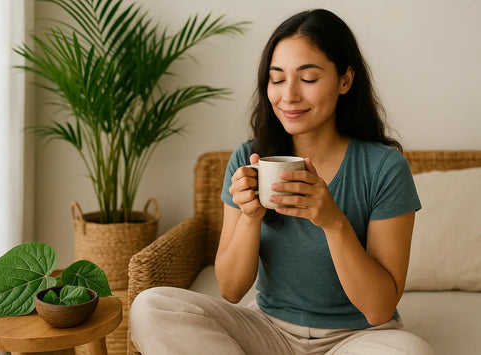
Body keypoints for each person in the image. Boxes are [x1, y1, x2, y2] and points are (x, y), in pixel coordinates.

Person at [129, 9, 434, 354]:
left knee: (410, 352)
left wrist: (333, 223)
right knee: (150, 306)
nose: (288, 95)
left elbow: (379, 309)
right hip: (267, 330)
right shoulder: (248, 159)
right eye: (277, 78)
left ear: (345, 80)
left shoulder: (383, 167)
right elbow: (230, 290)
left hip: (357, 337)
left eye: (308, 78)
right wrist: (250, 216)